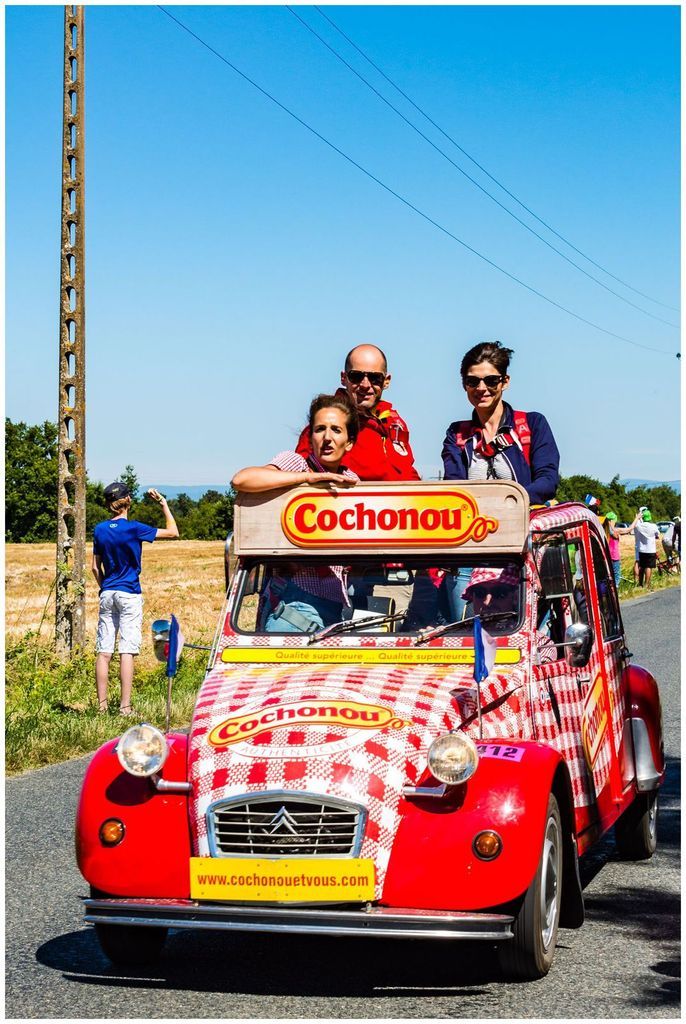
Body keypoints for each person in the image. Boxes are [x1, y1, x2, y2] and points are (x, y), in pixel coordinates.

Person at [232, 394, 359, 632]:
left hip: (336, 605)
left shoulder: (351, 481)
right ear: (310, 437)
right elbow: (242, 479)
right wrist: (306, 479)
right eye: (320, 429)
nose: (327, 438)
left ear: (349, 441)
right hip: (295, 605)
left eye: (336, 430)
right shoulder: (296, 464)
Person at [92, 484, 179, 715]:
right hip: (129, 592)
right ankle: (125, 707)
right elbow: (173, 532)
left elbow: (94, 567)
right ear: (128, 500)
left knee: (104, 650)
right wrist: (163, 504)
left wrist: (105, 588)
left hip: (107, 592)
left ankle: (101, 709)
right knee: (126, 650)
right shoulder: (134, 529)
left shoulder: (100, 529)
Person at [441, 340, 560, 504]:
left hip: (522, 524)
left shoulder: (533, 424)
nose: (481, 388)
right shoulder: (456, 435)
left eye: (491, 380)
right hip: (474, 525)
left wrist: (510, 503)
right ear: (464, 385)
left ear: (505, 382)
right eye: (472, 381)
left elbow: (547, 480)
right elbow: (454, 488)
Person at [296, 344, 419, 481]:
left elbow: (407, 472)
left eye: (375, 378)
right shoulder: (326, 429)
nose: (365, 385)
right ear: (344, 378)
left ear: (386, 381)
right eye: (356, 376)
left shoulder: (394, 423)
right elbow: (302, 477)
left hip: (404, 501)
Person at [462, 565, 557, 664]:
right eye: (480, 593)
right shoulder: (454, 638)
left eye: (499, 593)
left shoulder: (538, 644)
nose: (487, 602)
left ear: (514, 598)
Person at [616, 508, 661, 588]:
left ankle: (640, 584)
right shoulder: (653, 526)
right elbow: (657, 535)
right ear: (650, 517)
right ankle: (647, 584)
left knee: (642, 566)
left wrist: (636, 518)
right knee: (648, 567)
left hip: (641, 549)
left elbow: (631, 529)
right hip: (650, 549)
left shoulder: (638, 525)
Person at [604, 512, 622, 587]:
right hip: (614, 555)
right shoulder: (612, 531)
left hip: (607, 555)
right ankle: (615, 588)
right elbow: (616, 535)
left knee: (609, 573)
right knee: (616, 573)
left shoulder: (604, 530)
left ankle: (610, 587)